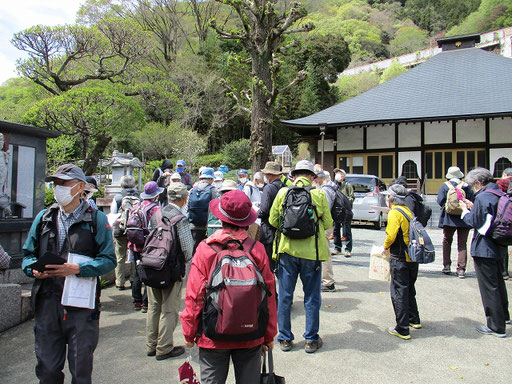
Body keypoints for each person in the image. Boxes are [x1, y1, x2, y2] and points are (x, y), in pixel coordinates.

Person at [21, 164, 116, 383]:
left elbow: (109, 259)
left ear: (80, 187)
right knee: (47, 370)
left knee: (81, 370)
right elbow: (27, 255)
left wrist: (79, 269)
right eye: (55, 184)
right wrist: (33, 269)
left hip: (81, 305)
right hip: (47, 302)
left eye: (64, 183)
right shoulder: (44, 218)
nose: (58, 188)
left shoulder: (96, 220)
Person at [181, 190, 277, 384]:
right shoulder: (256, 249)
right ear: (246, 221)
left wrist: (189, 332)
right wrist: (268, 334)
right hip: (252, 333)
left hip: (212, 336)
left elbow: (195, 295)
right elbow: (269, 295)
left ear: (221, 217)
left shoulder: (205, 249)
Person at [269, 160, 333, 353]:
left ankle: (285, 339)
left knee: (285, 296)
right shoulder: (318, 194)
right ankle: (311, 339)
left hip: (287, 251)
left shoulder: (282, 193)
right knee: (312, 297)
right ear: (312, 176)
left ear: (294, 176)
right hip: (311, 253)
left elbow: (273, 220)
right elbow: (328, 222)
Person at [460, 168, 510, 338]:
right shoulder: (498, 193)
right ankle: (504, 316)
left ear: (478, 183)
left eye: (473, 185)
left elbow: (476, 222)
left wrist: (466, 212)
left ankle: (496, 326)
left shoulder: (482, 196)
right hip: (499, 245)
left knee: (489, 287)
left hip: (484, 248)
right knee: (498, 283)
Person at [146, 182, 194, 360]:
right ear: (184, 199)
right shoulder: (180, 218)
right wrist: (185, 264)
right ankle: (164, 347)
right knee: (169, 308)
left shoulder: (157, 214)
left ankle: (151, 344)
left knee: (153, 306)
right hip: (171, 269)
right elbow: (188, 248)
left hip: (152, 264)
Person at [382, 184, 421, 340]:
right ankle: (414, 319)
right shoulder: (408, 211)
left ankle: (402, 328)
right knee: (409, 288)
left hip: (399, 257)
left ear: (392, 198)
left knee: (399, 291)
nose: (386, 198)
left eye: (388, 196)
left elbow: (391, 236)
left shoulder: (394, 213)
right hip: (412, 255)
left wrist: (384, 248)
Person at [130, 181, 162, 312]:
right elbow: (159, 228)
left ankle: (136, 300)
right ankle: (145, 302)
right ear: (155, 195)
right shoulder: (156, 209)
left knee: (137, 272)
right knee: (148, 272)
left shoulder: (135, 207)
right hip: (150, 245)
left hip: (136, 244)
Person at [437, 166, 474, 278]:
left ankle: (447, 266)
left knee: (447, 241)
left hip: (449, 218)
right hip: (464, 217)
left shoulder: (445, 185)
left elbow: (440, 201)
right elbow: (472, 200)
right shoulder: (466, 186)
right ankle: (461, 269)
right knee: (462, 243)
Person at [316, 170, 344, 292]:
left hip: (325, 225)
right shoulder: (332, 186)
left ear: (318, 178)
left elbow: (324, 209)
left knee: (324, 252)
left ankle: (328, 282)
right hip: (331, 223)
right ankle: (326, 280)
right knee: (324, 251)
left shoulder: (325, 190)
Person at [111, 175, 140, 290]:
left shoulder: (118, 197)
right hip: (135, 230)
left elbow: (113, 214)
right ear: (134, 185)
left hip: (120, 230)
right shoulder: (139, 197)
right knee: (134, 255)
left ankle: (120, 282)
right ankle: (134, 279)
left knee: (120, 256)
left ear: (121, 185)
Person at [258, 161, 284, 268]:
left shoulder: (269, 188)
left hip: (268, 230)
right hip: (282, 230)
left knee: (268, 265)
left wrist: (256, 212)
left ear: (269, 175)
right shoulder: (285, 187)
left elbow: (263, 210)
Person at [188, 167, 220, 252]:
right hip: (208, 226)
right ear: (210, 178)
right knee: (207, 250)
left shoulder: (192, 190)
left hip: (193, 225)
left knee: (194, 249)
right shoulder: (213, 191)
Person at [332, 168, 354, 257]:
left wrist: (345, 201)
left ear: (344, 176)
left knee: (347, 230)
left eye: (339, 173)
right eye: (336, 173)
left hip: (345, 211)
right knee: (336, 229)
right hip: (336, 211)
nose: (337, 175)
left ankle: (348, 249)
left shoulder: (348, 186)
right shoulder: (333, 185)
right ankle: (337, 248)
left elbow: (352, 197)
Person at [497, 167, 512, 279]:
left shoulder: (501, 183)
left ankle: (504, 272)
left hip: (506, 217)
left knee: (503, 246)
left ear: (505, 174)